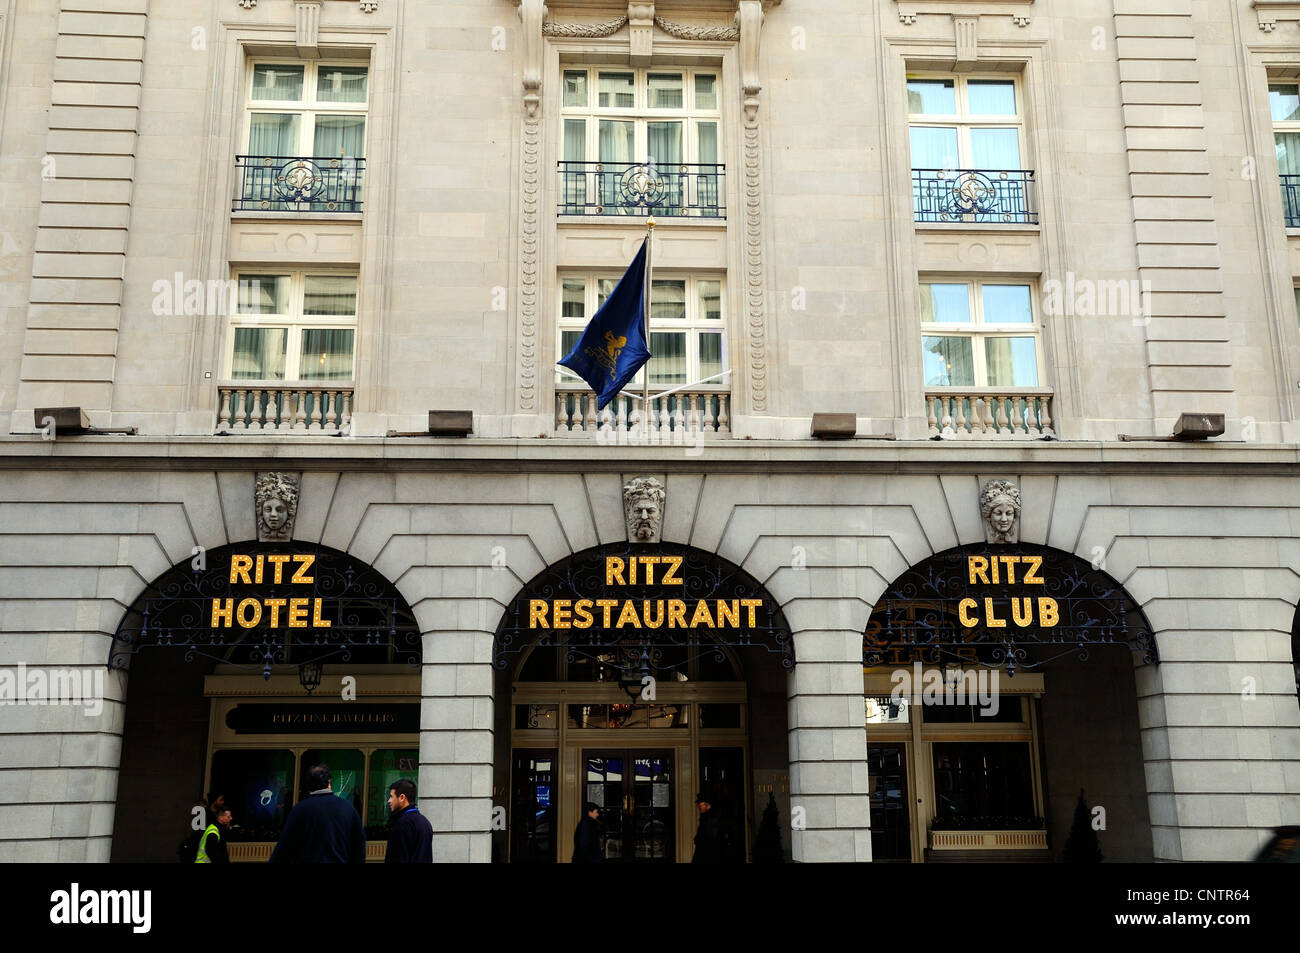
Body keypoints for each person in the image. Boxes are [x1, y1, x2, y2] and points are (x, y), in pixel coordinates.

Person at [268, 763, 366, 863]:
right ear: (329, 782)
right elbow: (359, 846)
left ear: (308, 785)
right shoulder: (347, 808)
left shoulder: (300, 810)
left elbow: (285, 848)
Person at [384, 778, 433, 863]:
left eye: (391, 796)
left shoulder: (402, 824)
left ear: (402, 797)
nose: (389, 801)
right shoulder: (425, 822)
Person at [692, 793, 731, 863]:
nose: (698, 806)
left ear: (706, 804)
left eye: (700, 804)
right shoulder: (706, 817)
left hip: (708, 852)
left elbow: (710, 837)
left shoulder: (711, 818)